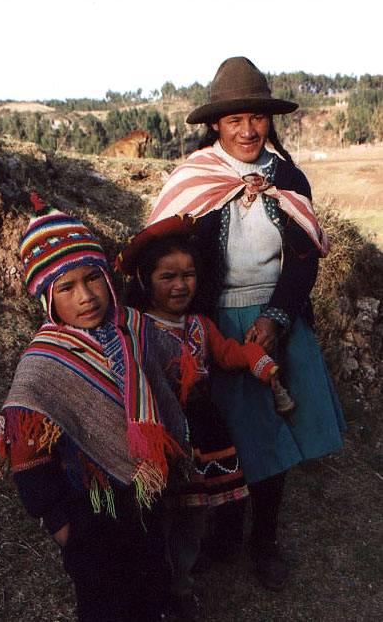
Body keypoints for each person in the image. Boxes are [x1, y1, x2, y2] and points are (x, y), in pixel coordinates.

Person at [146, 57, 346, 591]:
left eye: (257, 118)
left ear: (269, 120)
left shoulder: (288, 176)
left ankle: (264, 542)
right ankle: (224, 536)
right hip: (214, 323)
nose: (247, 130)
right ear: (217, 124)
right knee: (228, 436)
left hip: (276, 317)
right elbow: (169, 256)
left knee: (274, 440)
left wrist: (278, 317)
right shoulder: (194, 180)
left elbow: (304, 258)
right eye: (235, 120)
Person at [0, 194, 190, 622]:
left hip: (145, 491)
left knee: (151, 570)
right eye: (66, 287)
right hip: (89, 507)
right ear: (47, 299)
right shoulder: (43, 364)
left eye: (93, 279)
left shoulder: (134, 328)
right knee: (103, 598)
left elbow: (164, 385)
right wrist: (61, 524)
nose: (86, 296)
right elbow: (28, 456)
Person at [116, 215, 287, 617]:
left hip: (203, 433)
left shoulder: (200, 324)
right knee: (156, 514)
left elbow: (227, 352)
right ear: (144, 280)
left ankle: (181, 583)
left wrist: (254, 357)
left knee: (192, 511)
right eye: (167, 276)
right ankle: (153, 582)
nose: (180, 285)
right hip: (160, 432)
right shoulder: (132, 326)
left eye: (189, 274)